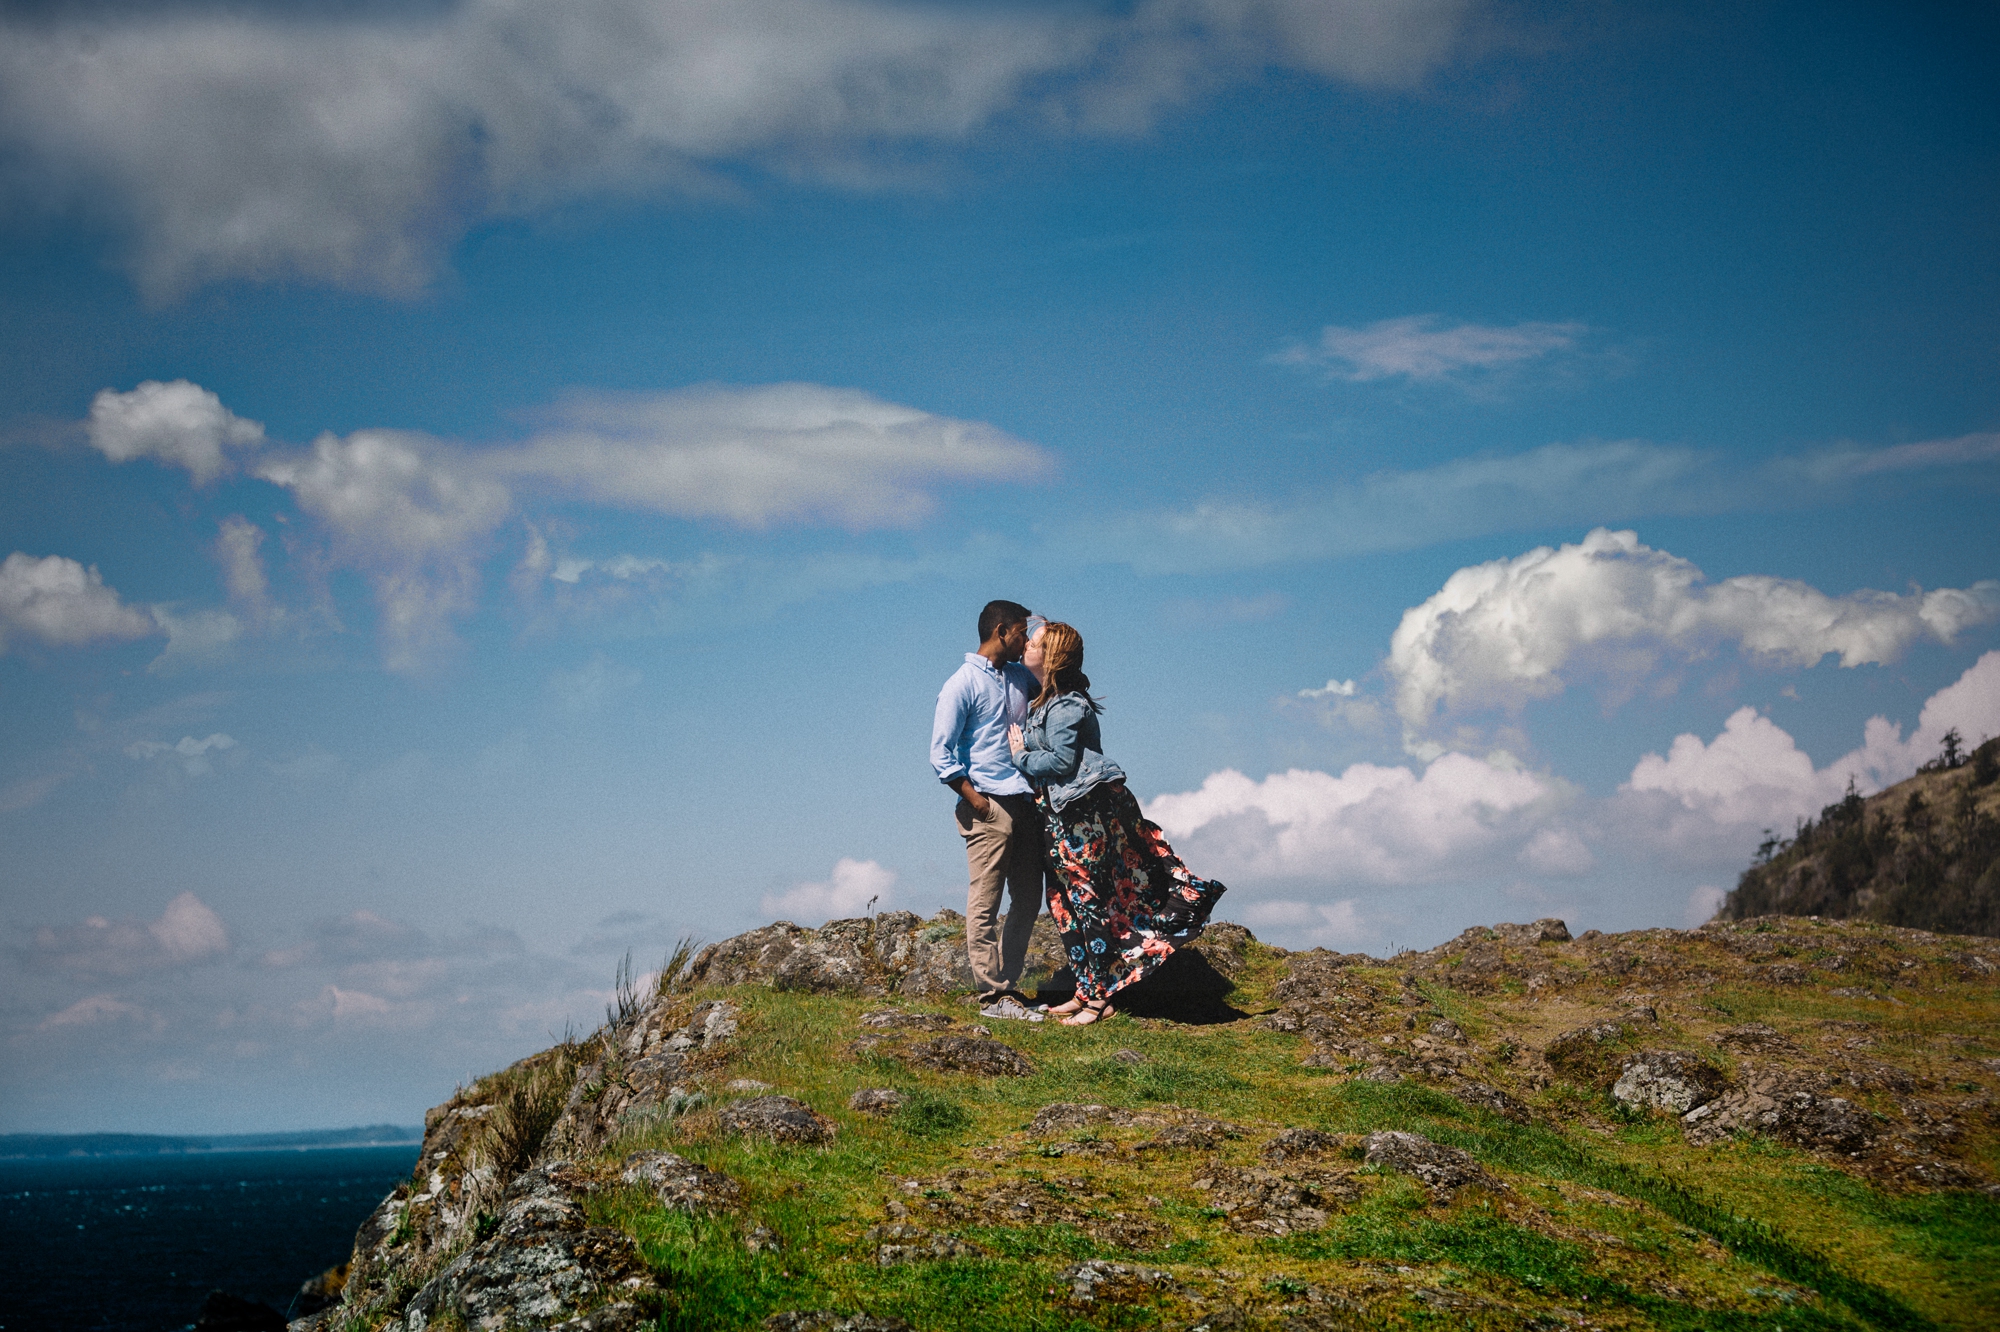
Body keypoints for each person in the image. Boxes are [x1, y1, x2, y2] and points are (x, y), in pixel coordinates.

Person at [1008, 621, 1225, 1026]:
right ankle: (1086, 989)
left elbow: (1060, 762)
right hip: (1058, 820)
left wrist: (1020, 756)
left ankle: (1101, 999)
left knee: (1089, 904)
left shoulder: (1067, 706)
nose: (1026, 647)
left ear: (1051, 656)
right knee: (1067, 905)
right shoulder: (1044, 702)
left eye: (1034, 643)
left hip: (1080, 821)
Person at [930, 599, 1046, 1021]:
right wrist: (976, 800)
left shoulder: (1018, 676)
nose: (1025, 642)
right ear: (1001, 631)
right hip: (988, 805)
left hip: (1026, 801)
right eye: (1021, 633)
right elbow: (940, 753)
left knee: (1028, 899)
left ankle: (1008, 990)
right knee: (986, 902)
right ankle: (992, 998)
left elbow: (1052, 685)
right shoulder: (960, 683)